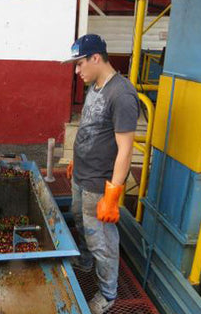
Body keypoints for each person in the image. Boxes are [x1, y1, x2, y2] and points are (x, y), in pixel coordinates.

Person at [64, 34, 139, 313]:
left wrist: (113, 193)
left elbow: (125, 149)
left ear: (96, 58)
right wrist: (75, 159)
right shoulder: (94, 86)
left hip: (100, 182)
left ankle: (107, 294)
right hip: (82, 174)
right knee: (81, 224)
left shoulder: (122, 94)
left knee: (102, 241)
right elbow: (88, 128)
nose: (77, 70)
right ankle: (84, 261)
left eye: (80, 63)